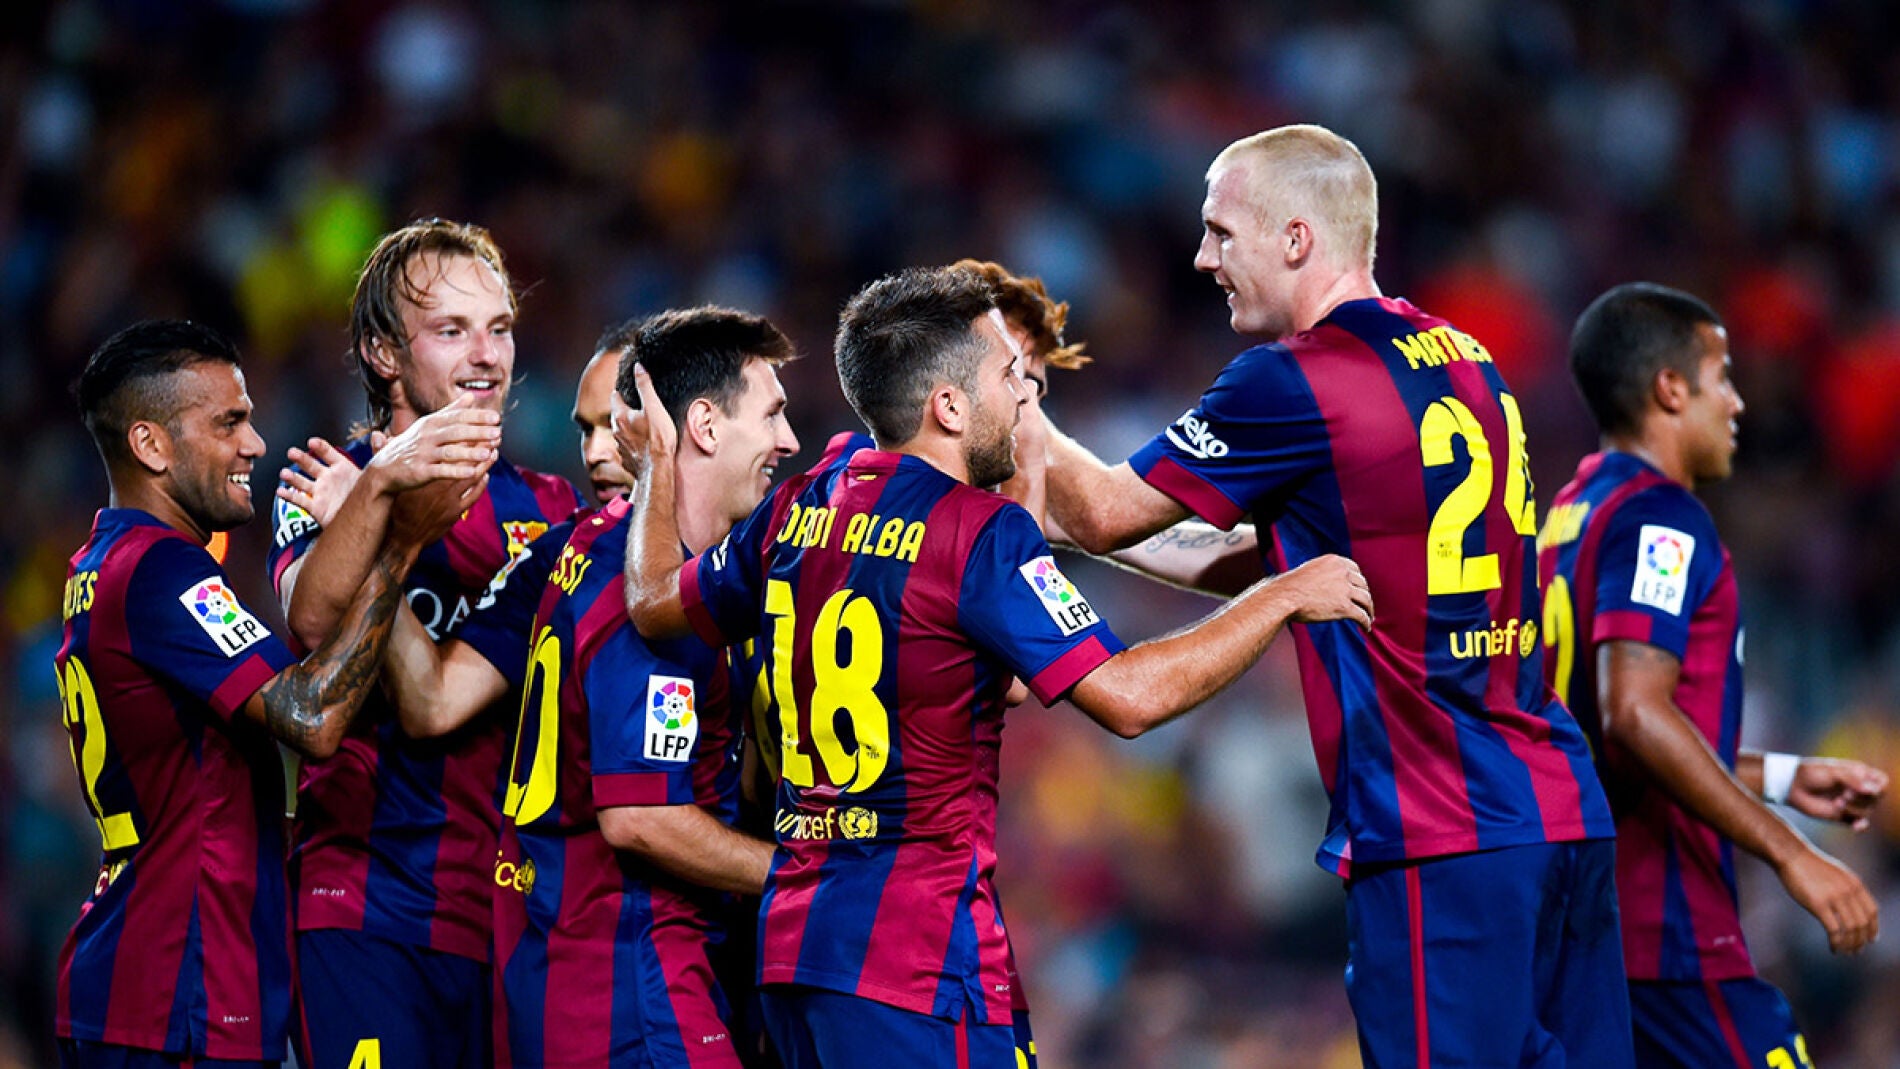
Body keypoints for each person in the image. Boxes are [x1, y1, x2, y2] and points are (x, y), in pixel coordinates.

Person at [620, 265, 1372, 1069]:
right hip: (917, 961)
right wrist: (1283, 595)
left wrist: (655, 470)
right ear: (949, 405)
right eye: (1011, 377)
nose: (1025, 400)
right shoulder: (977, 535)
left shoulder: (803, 499)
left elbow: (654, 601)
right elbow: (1128, 698)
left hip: (796, 955)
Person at [1041, 124, 1629, 1067]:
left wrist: (1018, 411)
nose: (1203, 258)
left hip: (1443, 834)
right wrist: (1070, 522)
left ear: (1297, 238)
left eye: (1221, 232)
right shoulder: (1469, 360)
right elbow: (1268, 556)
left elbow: (1108, 510)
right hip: (1562, 812)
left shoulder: (1294, 379)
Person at [365, 307, 800, 1067]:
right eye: (773, 414)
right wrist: (812, 879)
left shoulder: (582, 550)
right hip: (630, 981)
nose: (787, 441)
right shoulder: (642, 599)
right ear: (701, 424)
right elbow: (639, 815)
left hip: (569, 965)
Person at [55, 319, 479, 1068]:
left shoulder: (101, 562)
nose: (254, 443)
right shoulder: (157, 569)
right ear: (151, 445)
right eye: (229, 422)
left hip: (145, 981)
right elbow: (310, 716)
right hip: (176, 995)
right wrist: (399, 543)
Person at [1539, 282, 1886, 1068]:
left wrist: (1781, 775)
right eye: (1720, 376)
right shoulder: (1660, 517)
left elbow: (1608, 735)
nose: (1735, 402)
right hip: (1669, 938)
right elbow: (1632, 712)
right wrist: (1793, 853)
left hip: (1585, 933)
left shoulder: (1566, 517)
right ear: (1670, 388)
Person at [266, 219, 584, 1069]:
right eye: (451, 331)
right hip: (367, 911)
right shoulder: (328, 479)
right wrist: (376, 496)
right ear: (382, 353)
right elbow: (308, 619)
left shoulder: (551, 510)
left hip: (509, 919)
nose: (486, 355)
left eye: (501, 327)